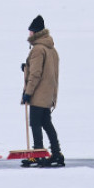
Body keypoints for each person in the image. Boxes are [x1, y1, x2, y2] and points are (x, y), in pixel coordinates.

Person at [21, 15, 63, 167]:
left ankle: (38, 154)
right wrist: (26, 67)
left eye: (31, 31)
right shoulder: (52, 49)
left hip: (38, 94)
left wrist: (28, 92)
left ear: (36, 32)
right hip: (48, 94)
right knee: (46, 124)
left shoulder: (38, 49)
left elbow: (36, 74)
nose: (29, 34)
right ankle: (57, 154)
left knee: (35, 124)